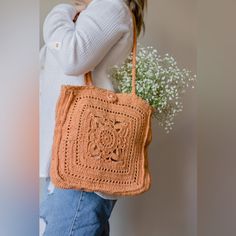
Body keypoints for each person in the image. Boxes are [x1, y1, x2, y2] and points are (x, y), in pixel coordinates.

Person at [39, 0, 147, 235]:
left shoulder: (109, 6)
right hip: (66, 163)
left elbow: (72, 57)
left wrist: (62, 10)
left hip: (80, 167)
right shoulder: (95, 12)